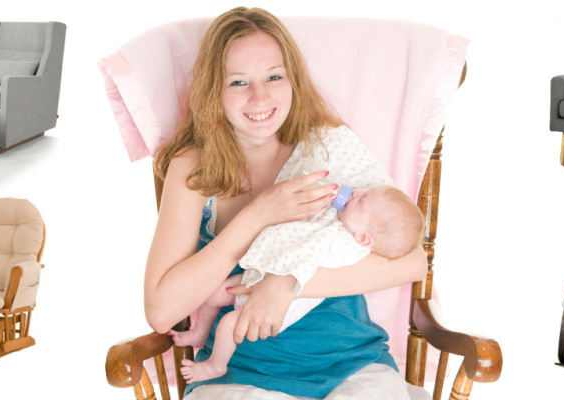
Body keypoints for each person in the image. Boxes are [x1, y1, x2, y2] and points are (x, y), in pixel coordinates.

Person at [144, 6, 427, 399]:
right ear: (213, 90)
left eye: (274, 77)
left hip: (352, 363)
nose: (260, 96)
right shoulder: (194, 169)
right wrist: (259, 214)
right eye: (239, 82)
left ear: (292, 79)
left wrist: (286, 284)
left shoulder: (328, 148)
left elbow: (413, 260)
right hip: (244, 373)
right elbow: (160, 311)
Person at [170, 185, 425, 383]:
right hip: (263, 275)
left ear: (364, 237)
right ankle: (199, 332)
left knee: (228, 325)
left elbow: (306, 256)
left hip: (280, 301)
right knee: (216, 291)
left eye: (362, 199)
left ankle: (217, 365)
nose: (356, 192)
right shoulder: (345, 224)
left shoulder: (346, 248)